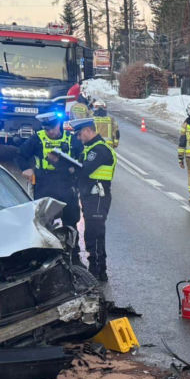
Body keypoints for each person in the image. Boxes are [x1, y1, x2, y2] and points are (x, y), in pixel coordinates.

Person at [70, 117, 117, 282]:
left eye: (80, 134)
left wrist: (71, 168)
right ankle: (99, 270)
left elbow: (84, 171)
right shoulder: (91, 149)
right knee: (94, 232)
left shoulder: (98, 150)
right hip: (92, 196)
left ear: (88, 131)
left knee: (94, 234)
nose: (78, 137)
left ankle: (96, 270)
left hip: (98, 195)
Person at [19, 111, 80, 229]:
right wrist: (26, 168)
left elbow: (82, 156)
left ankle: (72, 246)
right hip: (45, 184)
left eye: (53, 128)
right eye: (47, 130)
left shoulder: (71, 139)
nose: (50, 132)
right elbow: (20, 155)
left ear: (59, 125)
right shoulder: (37, 139)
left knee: (71, 220)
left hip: (66, 183)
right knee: (43, 221)